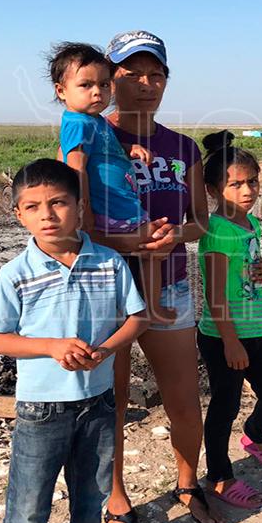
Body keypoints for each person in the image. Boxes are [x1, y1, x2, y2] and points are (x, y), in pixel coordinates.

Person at [0, 159, 150, 523]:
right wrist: (50, 346)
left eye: (58, 202)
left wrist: (105, 350)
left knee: (91, 506)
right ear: (19, 214)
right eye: (33, 206)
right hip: (41, 409)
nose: (48, 215)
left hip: (98, 404)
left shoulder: (109, 263)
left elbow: (138, 319)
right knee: (27, 514)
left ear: (80, 207)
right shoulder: (15, 274)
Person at [102, 30, 224, 523]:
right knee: (112, 402)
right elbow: (71, 219)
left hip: (169, 287)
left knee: (184, 398)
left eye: (157, 75)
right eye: (133, 73)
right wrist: (128, 241)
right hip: (109, 292)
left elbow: (201, 220)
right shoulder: (90, 138)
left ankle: (187, 482)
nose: (146, 84)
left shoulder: (183, 148)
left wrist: (176, 235)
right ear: (111, 78)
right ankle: (115, 501)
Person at [197, 131, 262, 509]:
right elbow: (214, 294)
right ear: (213, 189)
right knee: (225, 407)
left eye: (252, 181)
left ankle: (254, 435)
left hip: (256, 328)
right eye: (235, 184)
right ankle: (219, 476)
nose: (247, 190)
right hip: (224, 336)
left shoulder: (251, 224)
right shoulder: (217, 232)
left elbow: (253, 264)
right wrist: (231, 342)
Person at [52, 42, 176, 325]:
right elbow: (76, 168)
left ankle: (141, 308)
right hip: (109, 208)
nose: (97, 92)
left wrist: (130, 148)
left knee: (144, 250)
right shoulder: (78, 123)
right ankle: (148, 308)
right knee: (148, 248)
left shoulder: (95, 121)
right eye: (86, 85)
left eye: (104, 84)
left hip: (121, 205)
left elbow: (104, 150)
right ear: (61, 91)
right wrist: (84, 210)